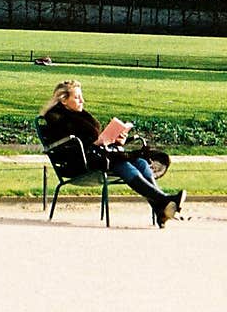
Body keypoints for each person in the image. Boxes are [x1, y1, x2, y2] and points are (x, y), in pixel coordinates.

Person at [40, 78, 187, 228]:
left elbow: (95, 140)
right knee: (122, 164)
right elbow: (68, 148)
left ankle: (160, 208)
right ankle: (163, 200)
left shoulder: (81, 115)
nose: (82, 100)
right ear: (64, 100)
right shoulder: (57, 118)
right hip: (79, 164)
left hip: (98, 156)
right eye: (77, 97)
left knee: (141, 162)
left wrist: (117, 140)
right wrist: (95, 144)